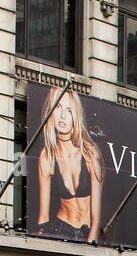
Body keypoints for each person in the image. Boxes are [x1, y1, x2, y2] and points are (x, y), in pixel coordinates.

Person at [36, 88, 103, 244]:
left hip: (88, 231)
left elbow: (96, 217)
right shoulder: (47, 156)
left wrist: (91, 242)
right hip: (60, 229)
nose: (63, 116)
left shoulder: (89, 153)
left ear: (76, 116)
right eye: (58, 107)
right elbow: (43, 217)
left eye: (69, 110)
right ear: (51, 112)